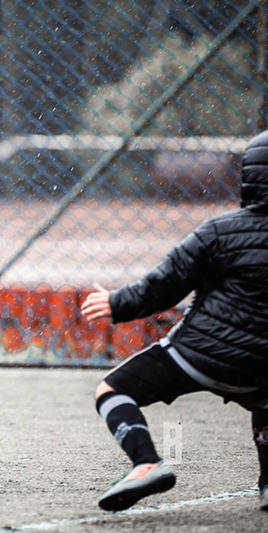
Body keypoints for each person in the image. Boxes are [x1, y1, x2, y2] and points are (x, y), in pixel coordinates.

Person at [81, 130, 268, 512]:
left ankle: (146, 462)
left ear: (249, 176)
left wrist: (117, 303)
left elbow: (165, 285)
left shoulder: (219, 231)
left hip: (200, 355)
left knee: (112, 390)